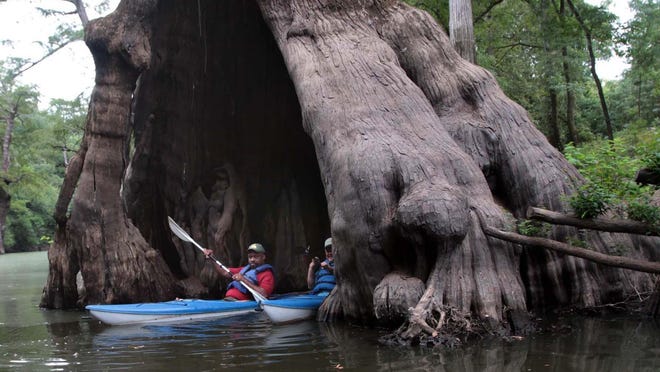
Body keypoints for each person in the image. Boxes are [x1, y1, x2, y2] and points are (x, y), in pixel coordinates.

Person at [202, 243, 275, 301]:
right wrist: (212, 258)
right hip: (229, 300)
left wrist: (243, 280)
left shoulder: (267, 274)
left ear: (263, 257)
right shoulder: (245, 270)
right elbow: (224, 272)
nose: (252, 259)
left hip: (242, 303)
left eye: (256, 257)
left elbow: (264, 294)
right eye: (250, 257)